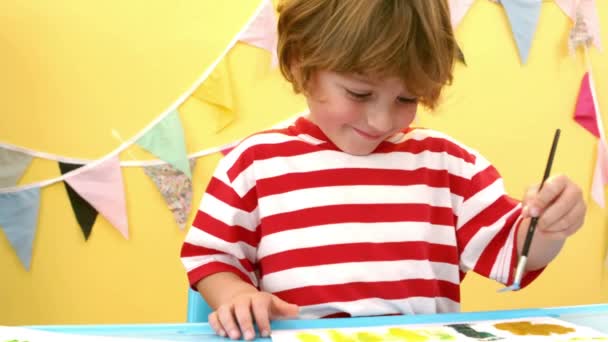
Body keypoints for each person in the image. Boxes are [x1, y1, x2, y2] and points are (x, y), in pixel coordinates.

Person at [180, 0, 587, 340]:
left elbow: (514, 253)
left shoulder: (448, 168)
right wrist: (235, 295)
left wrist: (548, 227)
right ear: (303, 65)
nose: (379, 120)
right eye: (359, 93)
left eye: (406, 98)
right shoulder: (254, 163)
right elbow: (212, 256)